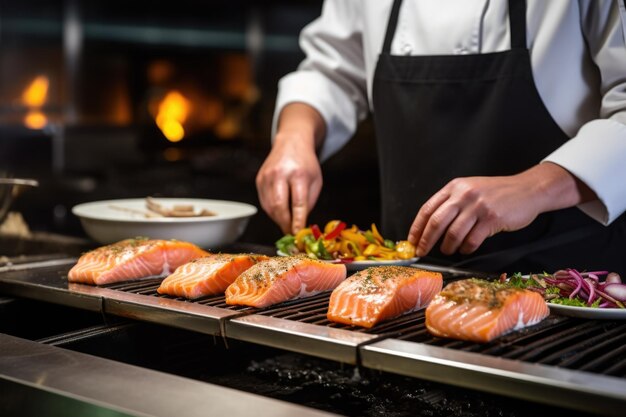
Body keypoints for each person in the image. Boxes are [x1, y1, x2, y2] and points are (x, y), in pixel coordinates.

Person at [256, 0, 626, 273]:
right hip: (406, 279)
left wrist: (534, 188)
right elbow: (332, 70)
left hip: (566, 283)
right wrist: (294, 137)